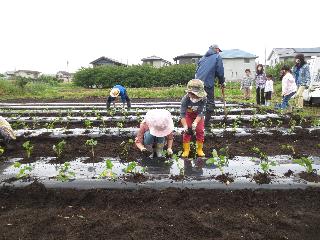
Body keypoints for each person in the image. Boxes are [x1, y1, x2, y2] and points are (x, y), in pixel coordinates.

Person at [195, 44, 225, 129]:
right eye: (218, 50)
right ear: (215, 49)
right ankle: (206, 123)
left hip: (197, 83)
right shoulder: (217, 57)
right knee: (210, 103)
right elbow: (220, 71)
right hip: (207, 83)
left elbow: (197, 71)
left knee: (197, 102)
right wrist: (222, 81)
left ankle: (195, 122)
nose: (219, 52)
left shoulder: (202, 58)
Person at [180, 79, 207, 158]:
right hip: (188, 115)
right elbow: (182, 114)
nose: (197, 97)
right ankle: (186, 150)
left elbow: (201, 113)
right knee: (187, 131)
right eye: (195, 95)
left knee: (200, 130)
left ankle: (199, 149)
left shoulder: (203, 99)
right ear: (189, 93)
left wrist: (195, 123)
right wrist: (185, 126)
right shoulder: (185, 99)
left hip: (198, 116)